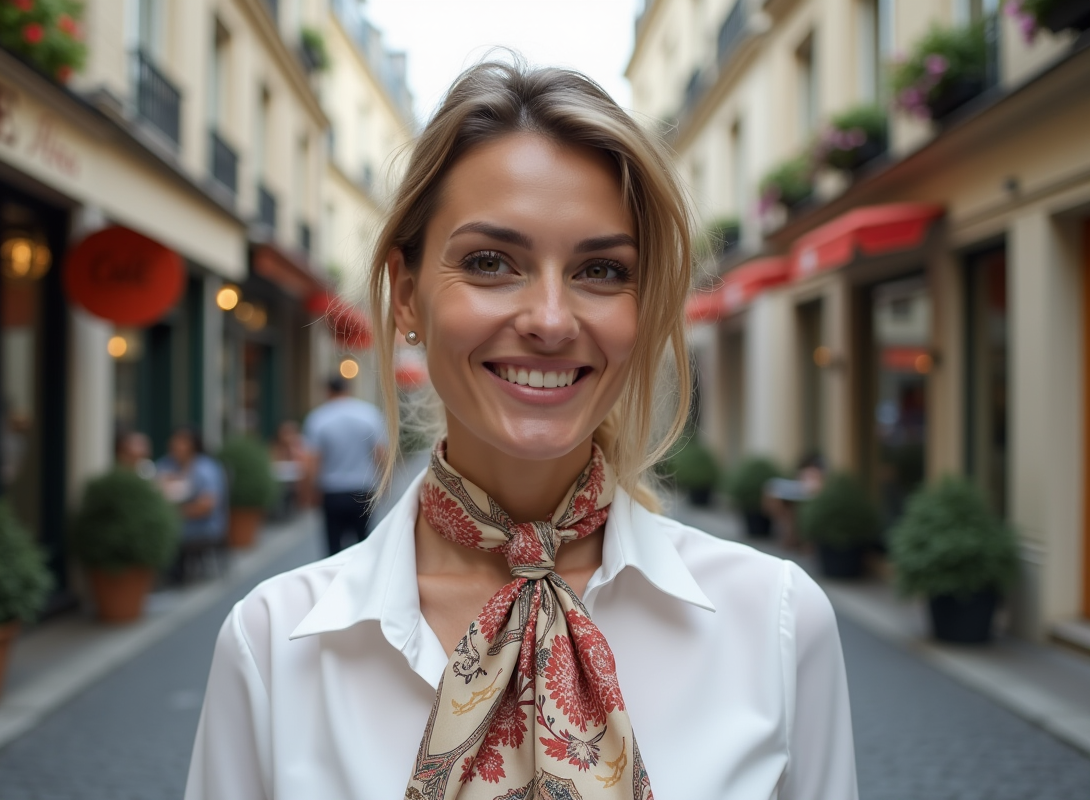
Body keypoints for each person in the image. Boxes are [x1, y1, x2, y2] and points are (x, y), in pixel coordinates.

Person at [186, 60, 857, 800]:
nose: (548, 319)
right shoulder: (274, 645)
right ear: (406, 297)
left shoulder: (777, 624)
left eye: (601, 270)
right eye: (490, 262)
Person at [300, 375, 388, 555]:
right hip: (363, 489)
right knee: (364, 545)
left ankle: (334, 581)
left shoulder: (318, 418)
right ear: (348, 389)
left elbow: (312, 461)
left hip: (332, 491)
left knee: (333, 548)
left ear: (328, 391)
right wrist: (384, 485)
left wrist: (307, 491)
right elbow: (380, 454)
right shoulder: (369, 414)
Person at [156, 426, 228, 582]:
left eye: (182, 442)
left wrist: (173, 515)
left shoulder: (205, 468)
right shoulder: (167, 463)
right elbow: (155, 484)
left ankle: (172, 575)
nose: (176, 445)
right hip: (176, 517)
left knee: (161, 531)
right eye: (174, 441)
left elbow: (207, 505)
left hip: (202, 525)